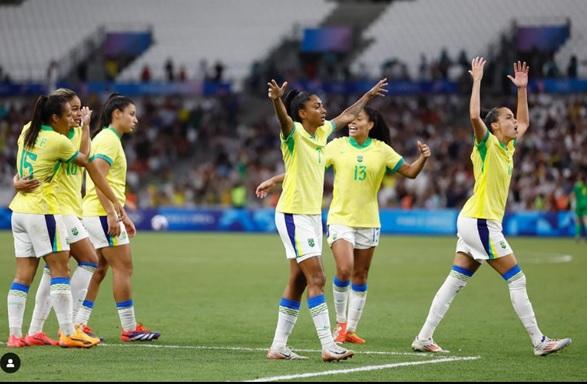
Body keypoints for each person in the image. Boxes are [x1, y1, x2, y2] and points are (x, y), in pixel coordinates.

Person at [411, 57, 571, 356]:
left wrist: (522, 90)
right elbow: (474, 115)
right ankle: (539, 341)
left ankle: (423, 337)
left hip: (475, 219)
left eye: (512, 117)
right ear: (494, 125)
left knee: (455, 280)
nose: (514, 122)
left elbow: (525, 122)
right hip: (481, 221)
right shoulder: (487, 143)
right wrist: (477, 80)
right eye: (508, 117)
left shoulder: (507, 146)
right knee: (517, 278)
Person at [257, 106, 431, 345]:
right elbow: (307, 168)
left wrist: (423, 158)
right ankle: (340, 324)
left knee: (361, 275)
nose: (352, 122)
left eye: (358, 119)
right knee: (345, 268)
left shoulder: (382, 150)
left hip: (369, 221)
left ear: (371, 125)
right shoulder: (336, 145)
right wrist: (276, 180)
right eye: (351, 119)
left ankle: (350, 329)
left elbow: (410, 172)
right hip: (340, 219)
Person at [262, 78, 387, 361]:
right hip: (294, 214)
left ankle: (278, 346)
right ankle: (328, 346)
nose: (324, 110)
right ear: (303, 113)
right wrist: (276, 100)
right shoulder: (293, 133)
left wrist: (367, 95)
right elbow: (283, 119)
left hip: (310, 216)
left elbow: (346, 115)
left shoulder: (322, 134)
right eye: (317, 106)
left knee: (298, 280)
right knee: (317, 277)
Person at [7, 94, 124, 348]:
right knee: (79, 262)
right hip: (53, 208)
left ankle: (26, 332)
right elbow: (87, 162)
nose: (77, 114)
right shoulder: (58, 137)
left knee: (40, 271)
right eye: (71, 110)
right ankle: (69, 328)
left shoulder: (32, 129)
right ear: (55, 115)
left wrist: (83, 129)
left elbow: (32, 160)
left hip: (27, 209)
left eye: (78, 109)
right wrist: (113, 200)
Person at [75, 94, 160, 342]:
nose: (136, 119)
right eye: (131, 113)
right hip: (101, 214)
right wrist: (112, 213)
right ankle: (130, 328)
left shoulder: (107, 139)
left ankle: (79, 322)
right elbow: (98, 176)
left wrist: (121, 214)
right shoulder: (109, 140)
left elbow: (103, 179)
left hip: (97, 212)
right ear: (116, 114)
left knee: (98, 268)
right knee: (123, 267)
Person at [571, 171, 587, 241]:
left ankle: (577, 236)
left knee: (578, 221)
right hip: (586, 204)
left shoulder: (577, 185)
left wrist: (573, 204)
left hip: (579, 205)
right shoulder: (585, 185)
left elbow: (573, 195)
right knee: (586, 221)